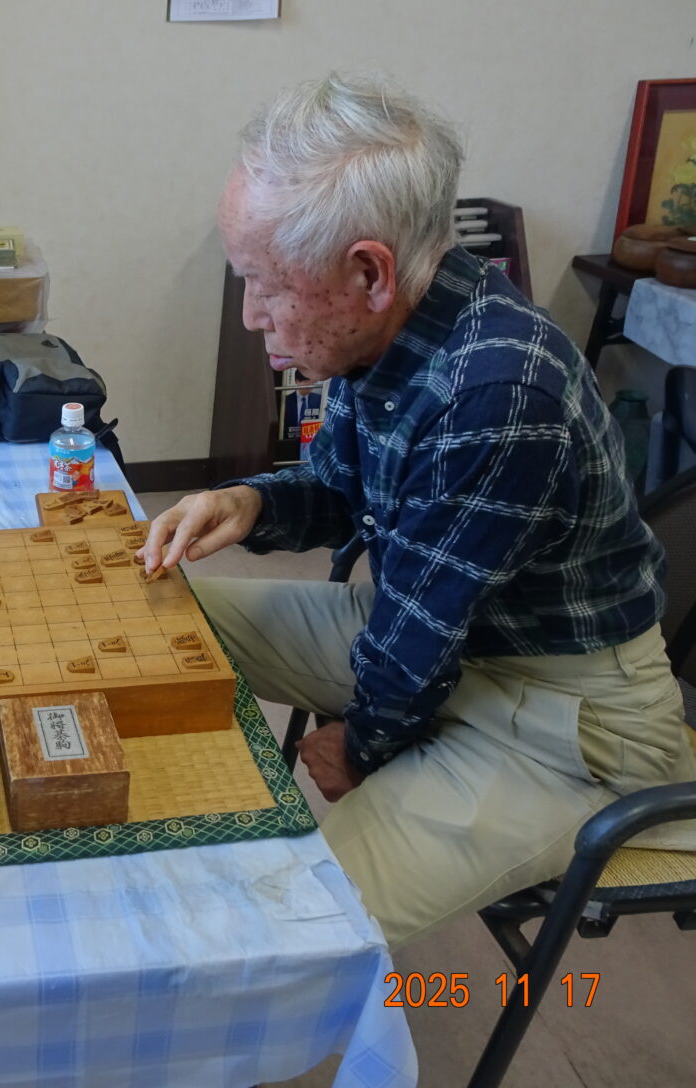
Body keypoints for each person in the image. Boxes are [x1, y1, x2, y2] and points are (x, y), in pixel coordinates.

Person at [142, 74, 696, 949]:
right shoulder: (399, 318)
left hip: (565, 720)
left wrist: (362, 747)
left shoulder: (496, 391)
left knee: (282, 932)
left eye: (265, 285)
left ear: (369, 271)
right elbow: (342, 492)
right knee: (150, 619)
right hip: (444, 634)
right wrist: (247, 500)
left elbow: (414, 646)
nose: (252, 316)